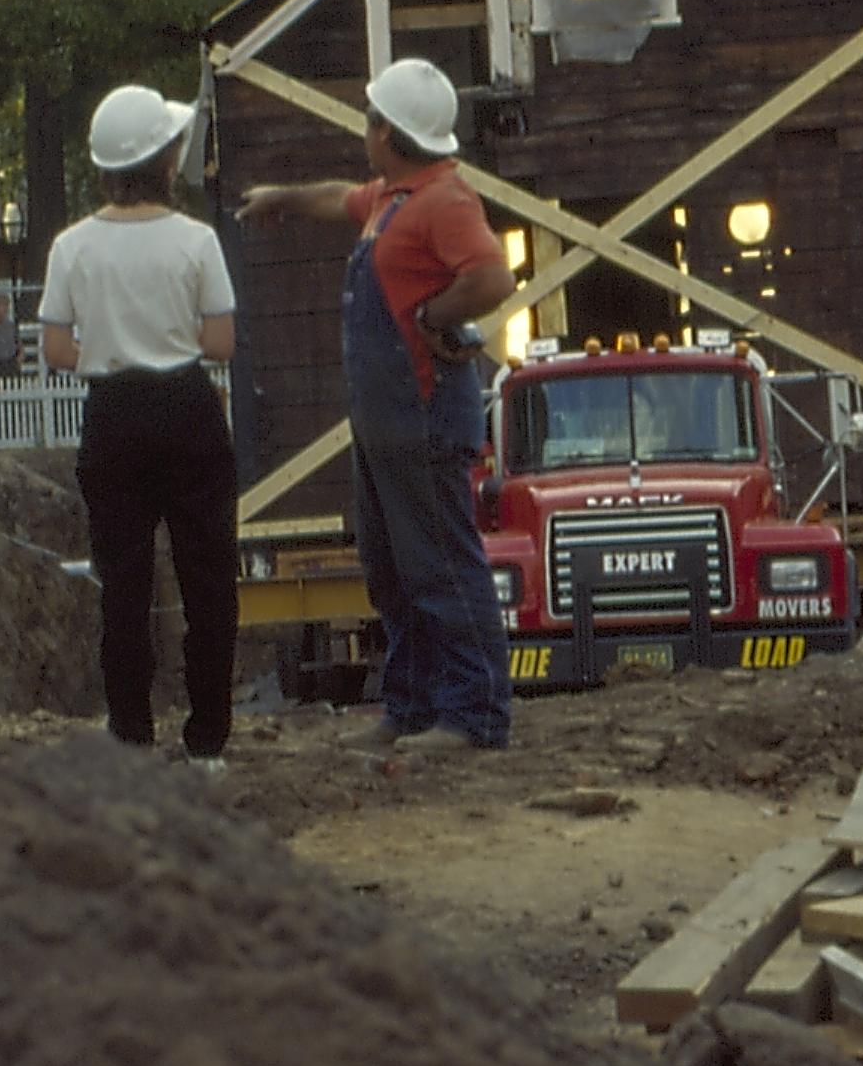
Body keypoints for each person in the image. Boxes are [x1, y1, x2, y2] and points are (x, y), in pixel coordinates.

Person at [238, 57, 518, 754]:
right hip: (385, 421)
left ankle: (474, 715)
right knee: (392, 568)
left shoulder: (444, 201)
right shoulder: (396, 197)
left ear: (387, 132)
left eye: (369, 119)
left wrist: (433, 319)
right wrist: (285, 196)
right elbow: (341, 197)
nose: (364, 129)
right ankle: (412, 707)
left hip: (420, 412)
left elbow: (491, 276)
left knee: (443, 566)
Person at [41, 84, 243, 771]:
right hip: (186, 406)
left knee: (122, 580)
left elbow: (57, 350)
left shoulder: (72, 247)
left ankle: (131, 729)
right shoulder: (197, 241)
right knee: (208, 575)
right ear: (163, 162)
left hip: (113, 414)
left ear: (105, 169)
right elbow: (220, 343)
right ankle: (208, 736)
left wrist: (111, 339)